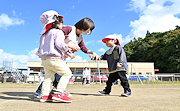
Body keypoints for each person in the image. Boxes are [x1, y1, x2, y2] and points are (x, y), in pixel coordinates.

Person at [34, 17, 100, 98]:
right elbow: (55, 40)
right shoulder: (69, 29)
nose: (89, 32)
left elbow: (84, 48)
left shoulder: (80, 37)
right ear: (84, 26)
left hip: (62, 57)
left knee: (52, 75)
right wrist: (71, 47)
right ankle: (53, 91)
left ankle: (49, 91)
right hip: (55, 56)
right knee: (60, 74)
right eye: (89, 29)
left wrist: (93, 52)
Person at [38, 10, 75, 103]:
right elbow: (60, 44)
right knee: (67, 73)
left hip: (45, 59)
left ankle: (45, 95)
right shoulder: (58, 32)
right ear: (57, 22)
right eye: (62, 23)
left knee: (48, 77)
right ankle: (59, 93)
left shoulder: (43, 34)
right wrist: (68, 51)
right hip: (55, 58)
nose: (62, 25)